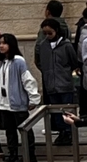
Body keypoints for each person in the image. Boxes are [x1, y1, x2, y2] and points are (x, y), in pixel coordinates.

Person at [0, 33, 41, 162]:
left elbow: (28, 80)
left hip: (17, 103)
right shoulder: (2, 62)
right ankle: (12, 153)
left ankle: (30, 154)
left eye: (4, 43)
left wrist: (33, 98)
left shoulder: (18, 61)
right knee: (10, 131)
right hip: (4, 103)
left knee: (24, 129)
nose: (1, 46)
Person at [33, 10, 79, 144]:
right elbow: (39, 62)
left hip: (64, 83)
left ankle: (68, 132)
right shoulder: (43, 46)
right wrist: (47, 72)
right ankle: (61, 131)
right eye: (45, 33)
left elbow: (73, 62)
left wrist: (66, 72)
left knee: (66, 109)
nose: (47, 36)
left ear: (56, 31)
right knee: (56, 111)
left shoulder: (66, 45)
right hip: (50, 84)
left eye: (50, 33)